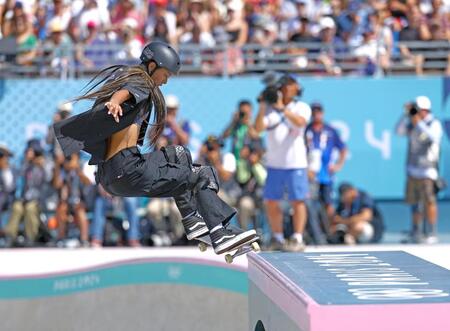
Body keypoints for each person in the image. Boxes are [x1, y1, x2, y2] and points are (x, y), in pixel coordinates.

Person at [53, 41, 256, 254]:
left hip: (111, 175)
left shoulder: (128, 77)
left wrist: (114, 100)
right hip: (129, 169)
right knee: (202, 173)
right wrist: (114, 101)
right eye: (165, 75)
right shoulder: (141, 81)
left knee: (178, 154)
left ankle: (192, 220)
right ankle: (218, 233)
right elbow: (126, 92)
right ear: (152, 66)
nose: (166, 81)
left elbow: (124, 90)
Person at [254, 73, 311, 251]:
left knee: (298, 201)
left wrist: (282, 108)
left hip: (295, 163)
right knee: (271, 201)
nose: (289, 87)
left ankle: (297, 238)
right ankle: (277, 238)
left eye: (292, 84)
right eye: (286, 84)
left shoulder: (301, 106)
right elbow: (257, 129)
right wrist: (263, 106)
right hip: (274, 164)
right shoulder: (270, 109)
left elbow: (300, 122)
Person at [395, 96, 443, 244]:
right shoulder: (411, 124)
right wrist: (406, 115)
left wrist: (419, 123)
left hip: (428, 170)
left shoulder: (433, 123)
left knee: (429, 201)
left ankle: (431, 231)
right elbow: (398, 131)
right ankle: (416, 231)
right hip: (413, 169)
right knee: (414, 202)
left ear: (425, 110)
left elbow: (433, 137)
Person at [305, 102, 347, 222]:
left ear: (322, 113)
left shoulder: (330, 130)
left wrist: (338, 165)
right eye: (314, 112)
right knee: (309, 202)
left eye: (319, 112)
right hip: (310, 173)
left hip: (326, 174)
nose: (316, 115)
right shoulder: (306, 129)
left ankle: (330, 230)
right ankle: (313, 231)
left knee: (328, 203)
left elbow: (343, 149)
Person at [3, 140, 46, 246]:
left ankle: (31, 237)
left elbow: (48, 181)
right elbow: (18, 178)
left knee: (30, 208)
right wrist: (27, 162)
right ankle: (10, 236)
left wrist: (42, 166)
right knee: (17, 207)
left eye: (31, 151)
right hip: (24, 199)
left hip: (39, 200)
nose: (28, 153)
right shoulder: (24, 164)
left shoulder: (45, 163)